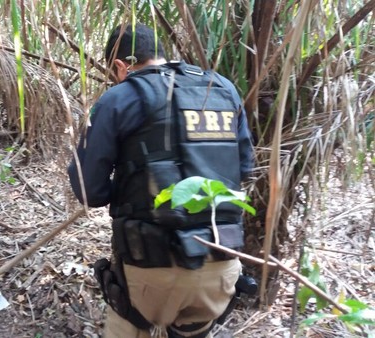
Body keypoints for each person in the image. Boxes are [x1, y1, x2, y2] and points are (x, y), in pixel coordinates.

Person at [68, 23, 254, 338]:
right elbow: (245, 169)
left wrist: (131, 188)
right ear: (163, 53)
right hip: (222, 265)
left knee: (131, 325)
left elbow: (90, 190)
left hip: (151, 269)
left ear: (120, 66)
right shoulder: (222, 88)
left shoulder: (119, 98)